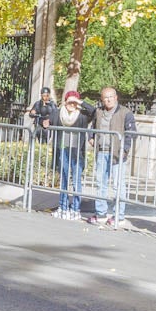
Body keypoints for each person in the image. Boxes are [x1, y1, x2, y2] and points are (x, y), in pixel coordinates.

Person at [89, 87, 136, 228]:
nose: (108, 100)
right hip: (102, 151)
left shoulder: (125, 112)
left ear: (116, 97)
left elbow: (131, 132)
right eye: (105, 97)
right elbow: (93, 127)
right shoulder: (98, 112)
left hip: (117, 153)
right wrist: (91, 137)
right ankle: (101, 213)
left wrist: (125, 149)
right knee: (100, 183)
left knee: (118, 185)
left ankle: (119, 215)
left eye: (111, 97)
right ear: (102, 99)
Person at [51, 90, 93, 220]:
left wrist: (79, 102)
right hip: (63, 148)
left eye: (74, 102)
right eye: (70, 101)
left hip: (77, 150)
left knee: (76, 180)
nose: (72, 104)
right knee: (63, 178)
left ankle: (75, 208)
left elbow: (94, 111)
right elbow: (47, 120)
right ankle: (62, 207)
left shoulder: (82, 115)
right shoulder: (58, 113)